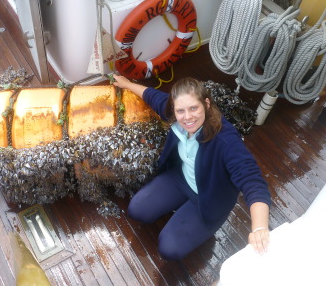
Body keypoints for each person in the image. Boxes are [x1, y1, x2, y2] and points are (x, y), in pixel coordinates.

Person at [113, 75, 272, 261]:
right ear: (174, 109)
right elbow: (152, 96)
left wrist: (260, 228)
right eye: (180, 111)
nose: (187, 117)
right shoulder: (176, 115)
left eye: (194, 108)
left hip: (210, 197)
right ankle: (180, 207)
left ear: (206, 104)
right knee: (137, 210)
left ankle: (203, 223)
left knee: (169, 248)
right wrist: (127, 83)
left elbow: (253, 181)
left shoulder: (226, 141)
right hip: (182, 178)